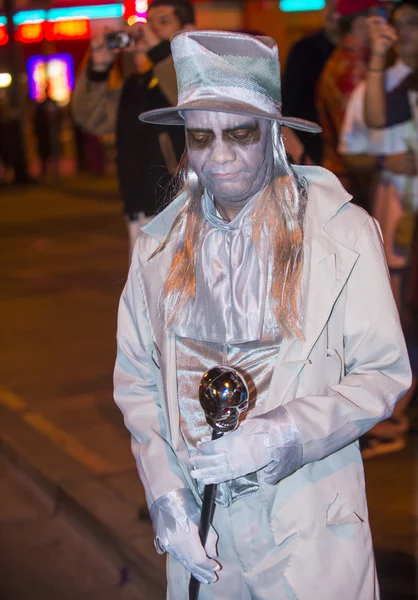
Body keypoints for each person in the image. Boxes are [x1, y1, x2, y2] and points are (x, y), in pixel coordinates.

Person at [114, 30, 411, 599]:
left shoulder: (341, 235)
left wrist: (284, 435)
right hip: (206, 540)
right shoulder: (157, 249)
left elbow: (382, 373)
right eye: (200, 136)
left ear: (273, 135)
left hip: (305, 524)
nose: (218, 155)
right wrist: (164, 496)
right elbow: (137, 380)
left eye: (240, 133)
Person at [339, 0, 418, 457]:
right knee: (396, 317)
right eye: (402, 24)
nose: (409, 32)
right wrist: (390, 160)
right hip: (397, 218)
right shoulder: (379, 85)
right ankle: (393, 420)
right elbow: (356, 149)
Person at [72, 0, 195, 257]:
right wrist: (98, 66)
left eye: (163, 22)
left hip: (183, 209)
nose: (152, 29)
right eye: (149, 22)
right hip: (139, 209)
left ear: (187, 29)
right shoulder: (136, 84)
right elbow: (90, 117)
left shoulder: (193, 78)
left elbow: (189, 99)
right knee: (144, 295)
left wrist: (161, 52)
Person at [316, 0, 384, 204]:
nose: (386, 24)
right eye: (379, 15)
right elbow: (354, 142)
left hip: (348, 181)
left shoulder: (348, 61)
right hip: (350, 187)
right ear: (361, 23)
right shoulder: (352, 71)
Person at [282, 0, 340, 165]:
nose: (333, 11)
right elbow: (291, 107)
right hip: (316, 149)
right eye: (329, 4)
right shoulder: (305, 50)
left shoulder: (361, 52)